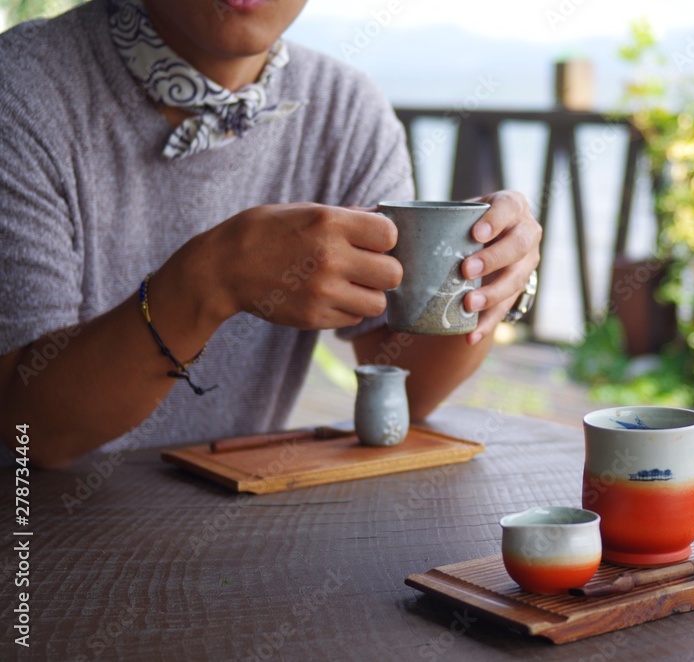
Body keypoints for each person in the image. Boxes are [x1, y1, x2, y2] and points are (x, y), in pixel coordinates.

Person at [0, 0, 541, 468]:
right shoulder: (23, 91)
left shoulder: (345, 111)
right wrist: (210, 280)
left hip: (240, 513)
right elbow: (33, 436)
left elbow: (404, 379)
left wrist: (490, 278)